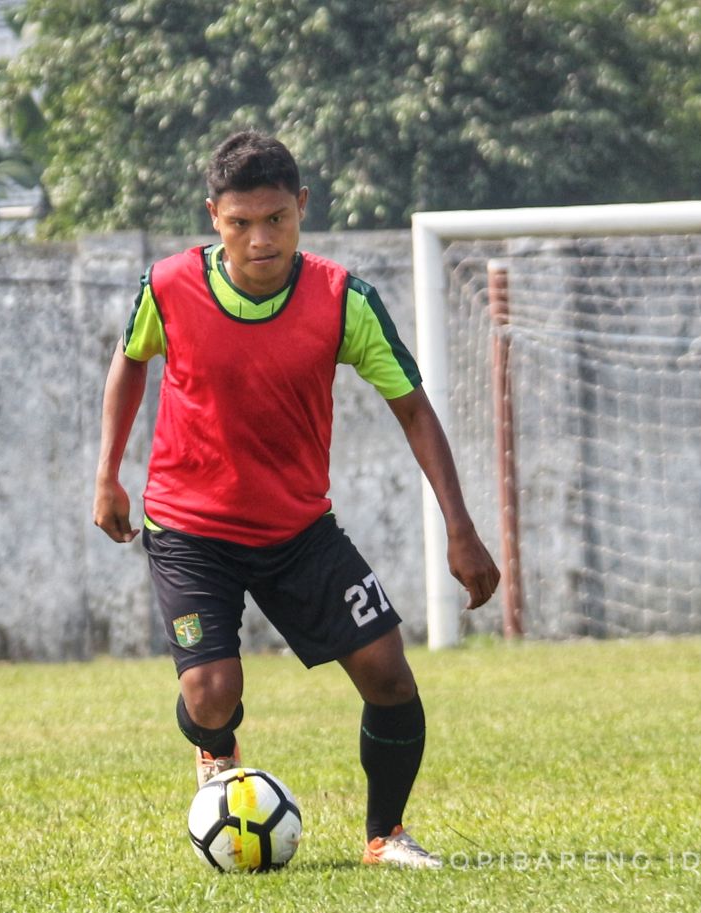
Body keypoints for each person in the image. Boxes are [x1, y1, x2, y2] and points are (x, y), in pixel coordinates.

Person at [92, 131, 499, 870]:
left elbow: (414, 409)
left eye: (276, 218)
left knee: (388, 672)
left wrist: (461, 528)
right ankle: (215, 747)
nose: (260, 238)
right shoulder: (170, 286)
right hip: (189, 527)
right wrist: (107, 475)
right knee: (212, 692)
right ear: (213, 216)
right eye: (241, 222)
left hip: (298, 528)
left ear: (302, 207)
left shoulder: (344, 299)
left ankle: (386, 836)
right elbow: (128, 365)